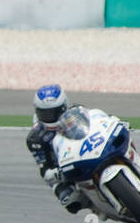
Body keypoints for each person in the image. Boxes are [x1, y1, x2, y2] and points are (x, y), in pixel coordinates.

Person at [25, 84, 95, 213]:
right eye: (45, 113)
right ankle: (97, 206)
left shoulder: (77, 112)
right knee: (70, 201)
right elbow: (44, 169)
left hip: (89, 150)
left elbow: (96, 123)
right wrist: (56, 173)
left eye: (55, 112)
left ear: (64, 107)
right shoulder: (36, 138)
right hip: (65, 168)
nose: (51, 117)